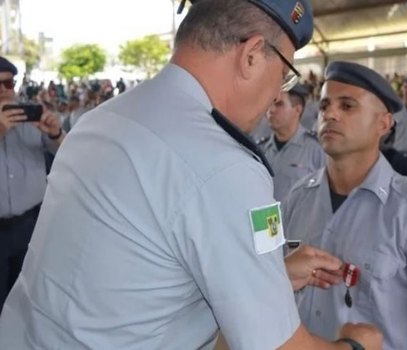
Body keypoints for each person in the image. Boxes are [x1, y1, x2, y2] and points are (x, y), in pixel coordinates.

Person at [0, 1, 382, 350]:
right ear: (251, 56)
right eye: (282, 75)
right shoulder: (224, 165)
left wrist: (270, 278)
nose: (273, 97)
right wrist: (354, 345)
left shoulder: (103, 118)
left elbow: (135, 273)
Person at [282, 61, 407, 350]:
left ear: (383, 124)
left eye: (347, 106)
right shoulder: (297, 198)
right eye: (324, 105)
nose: (330, 114)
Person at [0, 56, 65, 311]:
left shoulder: (32, 121)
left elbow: (69, 156)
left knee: (28, 298)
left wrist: (56, 133)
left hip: (31, 225)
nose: (5, 91)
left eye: (9, 84)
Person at [260, 83, 325, 202]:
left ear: (297, 110)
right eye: (270, 104)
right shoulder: (261, 149)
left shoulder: (316, 150)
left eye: (279, 104)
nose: (271, 110)